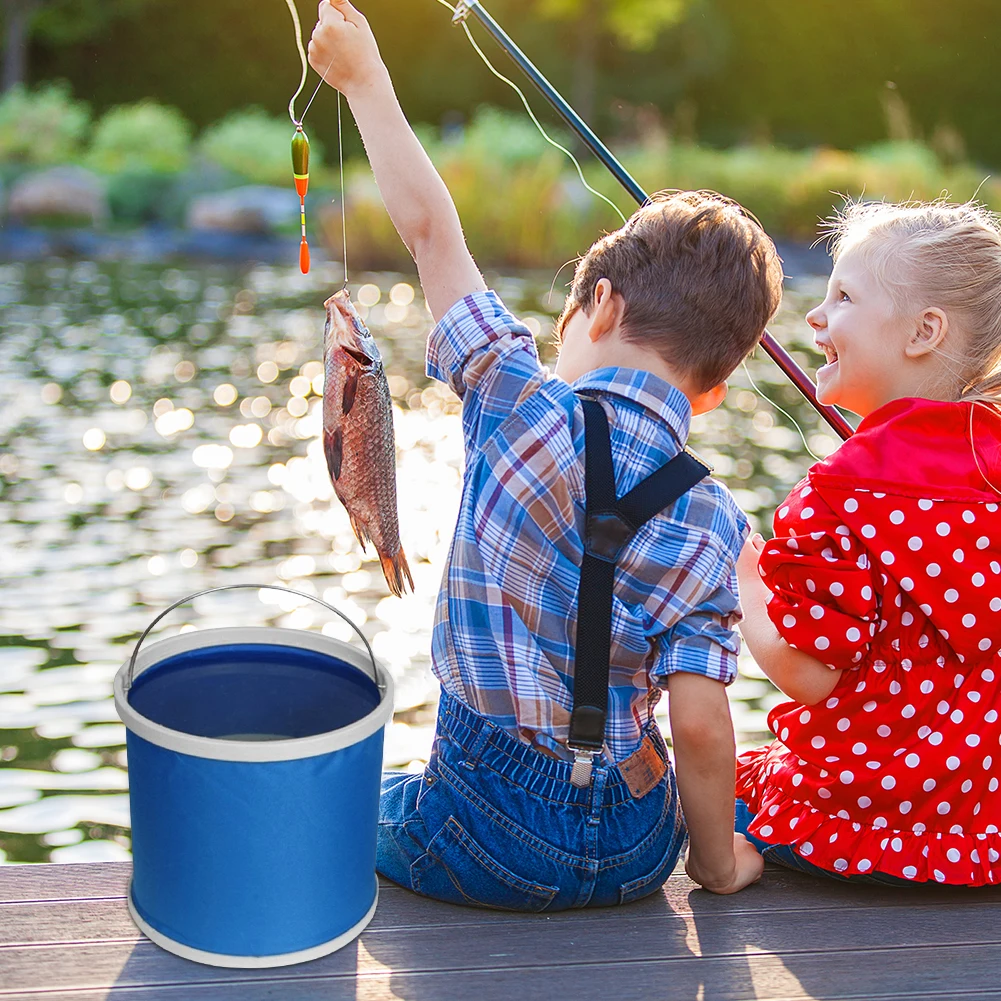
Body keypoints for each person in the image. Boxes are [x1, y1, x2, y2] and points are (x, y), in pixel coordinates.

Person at [309, 0, 783, 908]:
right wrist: (716, 865)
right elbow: (699, 719)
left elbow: (430, 234)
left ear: (596, 307)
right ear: (714, 391)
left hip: (483, 828)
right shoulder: (717, 517)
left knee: (351, 799)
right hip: (639, 846)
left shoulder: (516, 398)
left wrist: (365, 80)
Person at [735, 199, 1001, 886]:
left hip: (854, 826)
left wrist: (743, 571)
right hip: (980, 835)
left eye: (843, 296)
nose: (814, 317)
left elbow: (806, 672)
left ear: (924, 331)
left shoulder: (836, 495)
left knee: (693, 790)